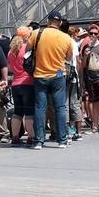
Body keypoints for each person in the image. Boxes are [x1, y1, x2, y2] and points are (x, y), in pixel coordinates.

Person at [30, 11, 74, 149]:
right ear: (60, 23)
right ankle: (62, 140)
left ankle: (38, 141)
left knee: (40, 108)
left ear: (48, 21)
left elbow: (27, 50)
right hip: (58, 75)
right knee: (60, 108)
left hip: (40, 75)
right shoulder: (66, 38)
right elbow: (68, 58)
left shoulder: (36, 33)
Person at [7, 28, 34, 145]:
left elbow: (10, 68)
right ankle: (31, 137)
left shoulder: (11, 51)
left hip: (15, 83)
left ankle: (15, 137)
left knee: (17, 111)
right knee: (28, 112)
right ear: (26, 37)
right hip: (27, 82)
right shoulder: (26, 49)